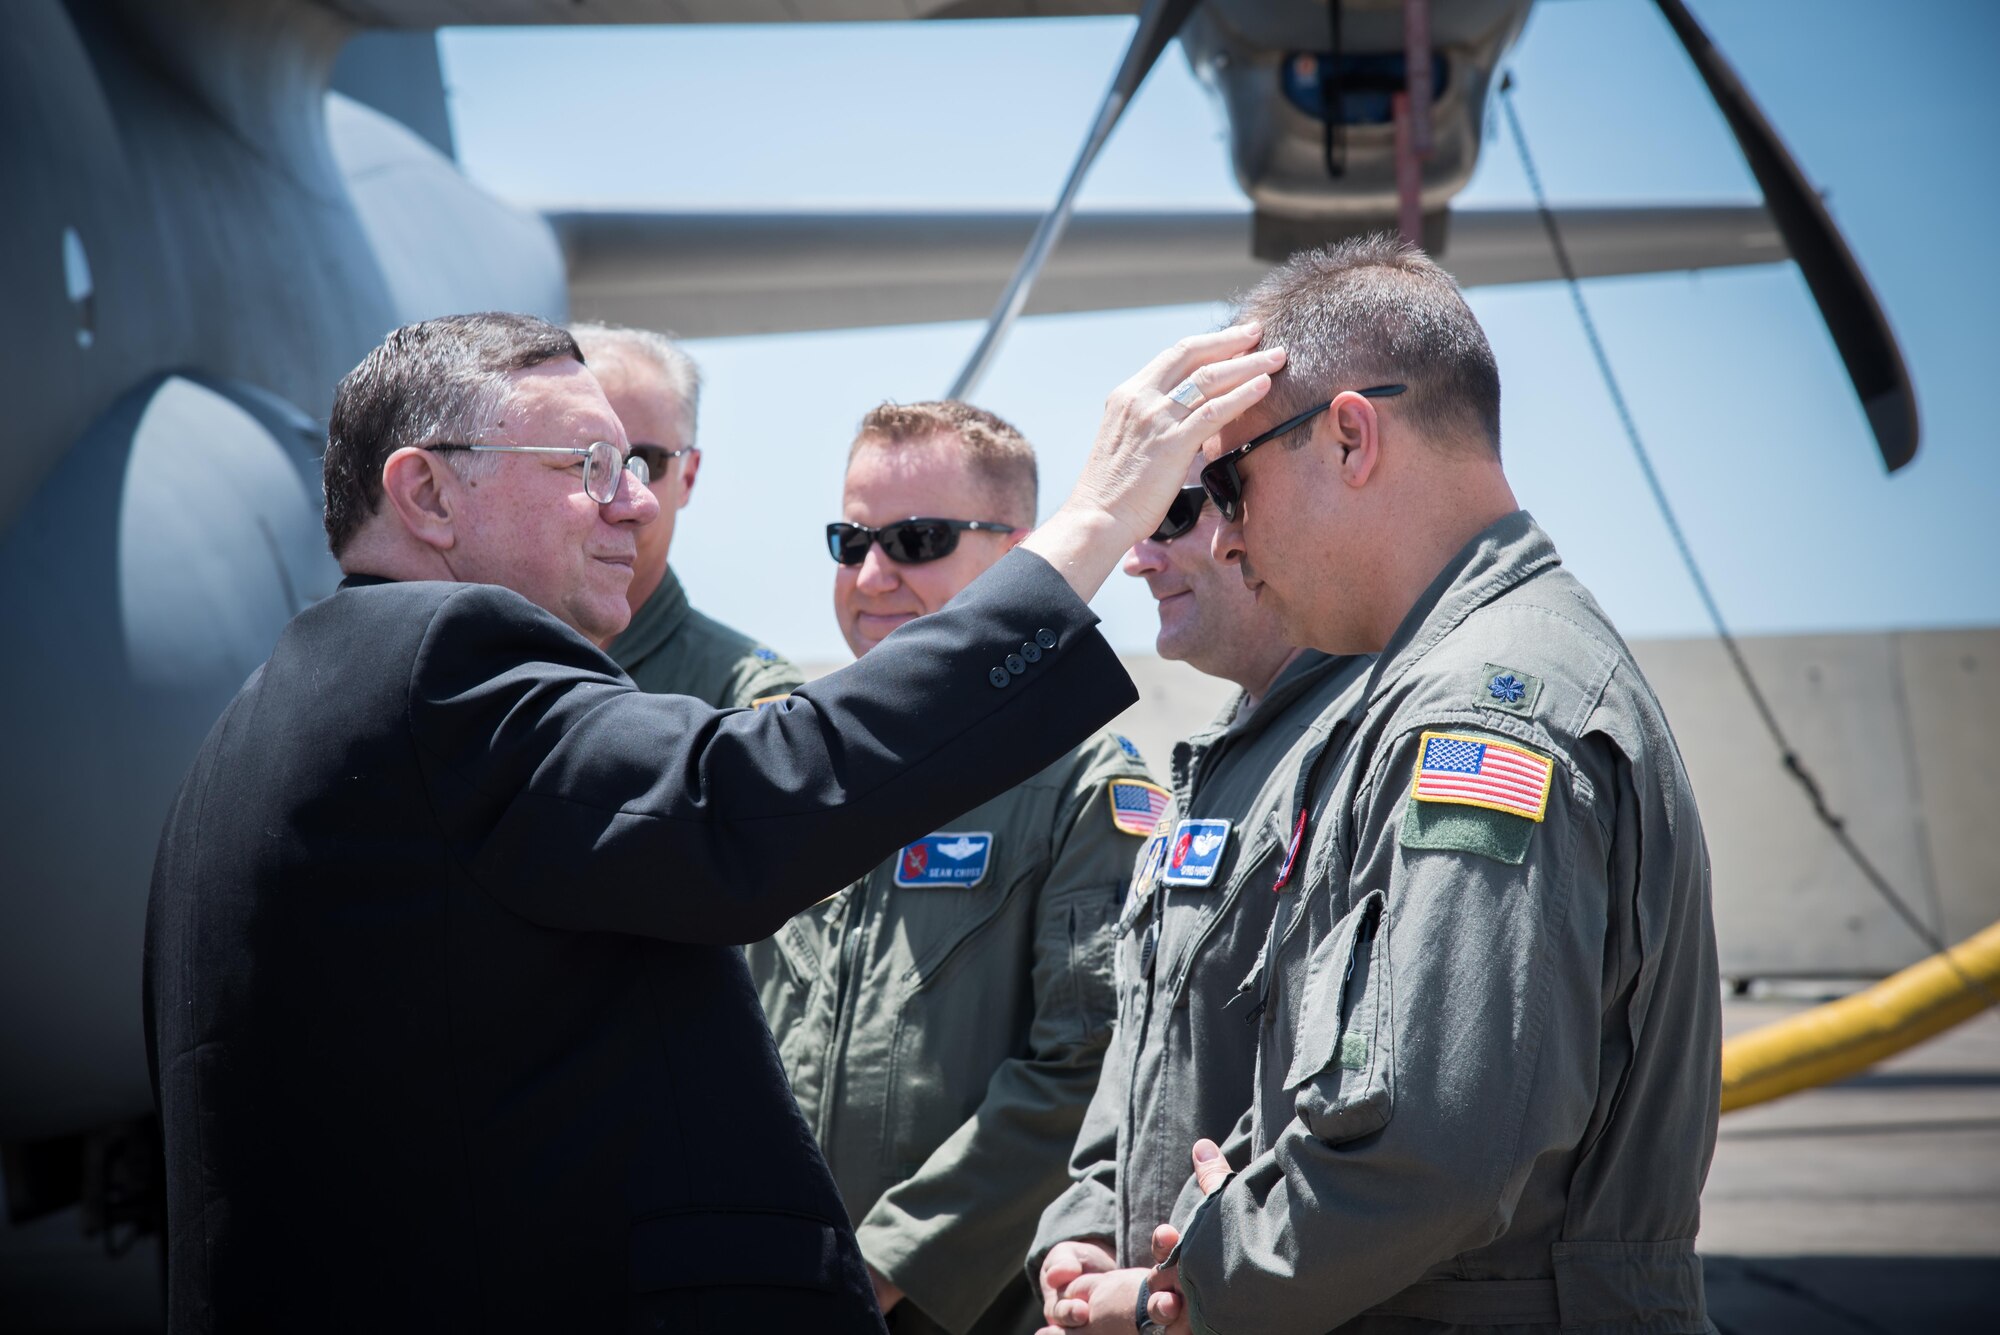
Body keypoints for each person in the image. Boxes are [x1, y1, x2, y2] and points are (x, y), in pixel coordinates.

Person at [142, 311, 1287, 1332]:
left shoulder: (265, 729)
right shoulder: (447, 666)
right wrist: (1091, 522)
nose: (636, 504)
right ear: (426, 494)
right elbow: (748, 803)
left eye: (637, 465)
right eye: (585, 465)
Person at [1089, 236, 1722, 1335]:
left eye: (1229, 484)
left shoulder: (1480, 704)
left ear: (1348, 435)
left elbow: (1439, 1147)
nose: (1225, 540)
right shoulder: (1418, 691)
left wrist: (1189, 1291)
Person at [746, 401, 1160, 1335]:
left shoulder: (1086, 787)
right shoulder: (787, 765)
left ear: (1021, 555)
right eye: (849, 540)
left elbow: (1084, 1071)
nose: (871, 573)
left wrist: (881, 1269)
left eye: (916, 539)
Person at [1025, 455, 1370, 1328]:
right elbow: (1143, 1039)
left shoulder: (1366, 748)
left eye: (1174, 515)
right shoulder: (1217, 756)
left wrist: (1175, 1290)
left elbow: (1374, 1124)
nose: (1137, 559)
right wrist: (1089, 1227)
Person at [569, 322, 805, 707]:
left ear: (688, 477)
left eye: (645, 462)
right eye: (588, 461)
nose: (620, 497)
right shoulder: (479, 657)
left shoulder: (744, 702)